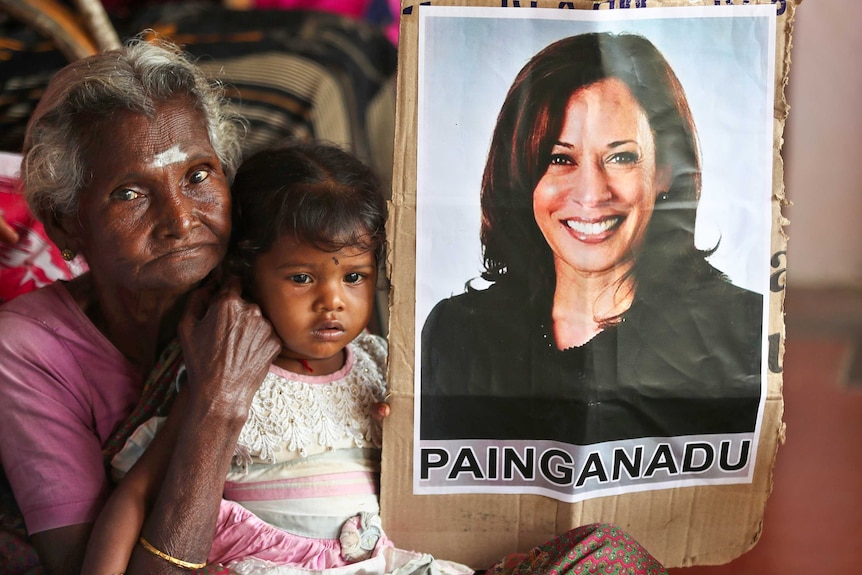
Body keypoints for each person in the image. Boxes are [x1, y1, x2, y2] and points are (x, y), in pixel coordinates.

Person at [82, 143, 669, 575]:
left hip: (388, 565)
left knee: (605, 554)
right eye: (301, 276)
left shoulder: (378, 365)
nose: (332, 300)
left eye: (355, 276)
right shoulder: (226, 378)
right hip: (276, 568)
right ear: (246, 274)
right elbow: (136, 496)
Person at [0, 37, 283, 575]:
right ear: (64, 221)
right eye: (130, 193)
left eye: (198, 175)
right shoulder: (27, 348)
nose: (180, 219)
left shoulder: (277, 295)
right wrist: (214, 407)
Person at [421, 32, 764, 446]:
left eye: (621, 157)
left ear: (665, 171)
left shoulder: (743, 329)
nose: (590, 194)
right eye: (559, 158)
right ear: (520, 175)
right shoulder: (456, 334)